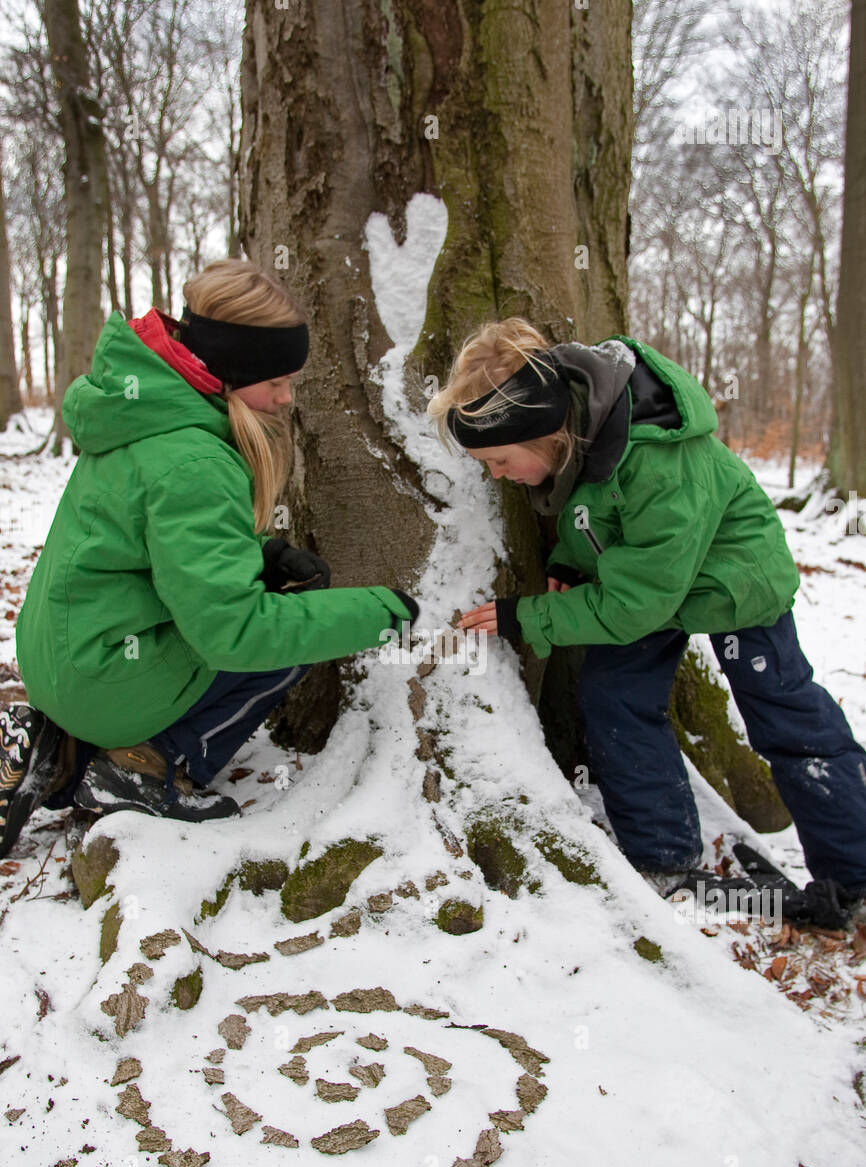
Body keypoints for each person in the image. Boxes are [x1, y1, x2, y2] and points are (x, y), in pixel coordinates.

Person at [428, 317, 866, 929]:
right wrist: (569, 563)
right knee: (613, 694)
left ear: (549, 434)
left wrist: (527, 617)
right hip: (650, 583)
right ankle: (664, 857)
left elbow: (636, 603)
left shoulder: (657, 460)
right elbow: (597, 517)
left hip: (733, 582)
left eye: (500, 461)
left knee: (786, 715)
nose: (496, 475)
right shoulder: (579, 434)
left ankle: (855, 873)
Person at [0, 259, 417, 854]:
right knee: (287, 633)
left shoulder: (143, 411)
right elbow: (233, 633)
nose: (285, 397)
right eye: (275, 380)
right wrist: (378, 614)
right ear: (233, 368)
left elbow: (147, 538)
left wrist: (262, 551)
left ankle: (63, 752)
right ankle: (145, 769)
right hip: (101, 677)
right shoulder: (196, 461)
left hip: (59, 663)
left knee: (269, 606)